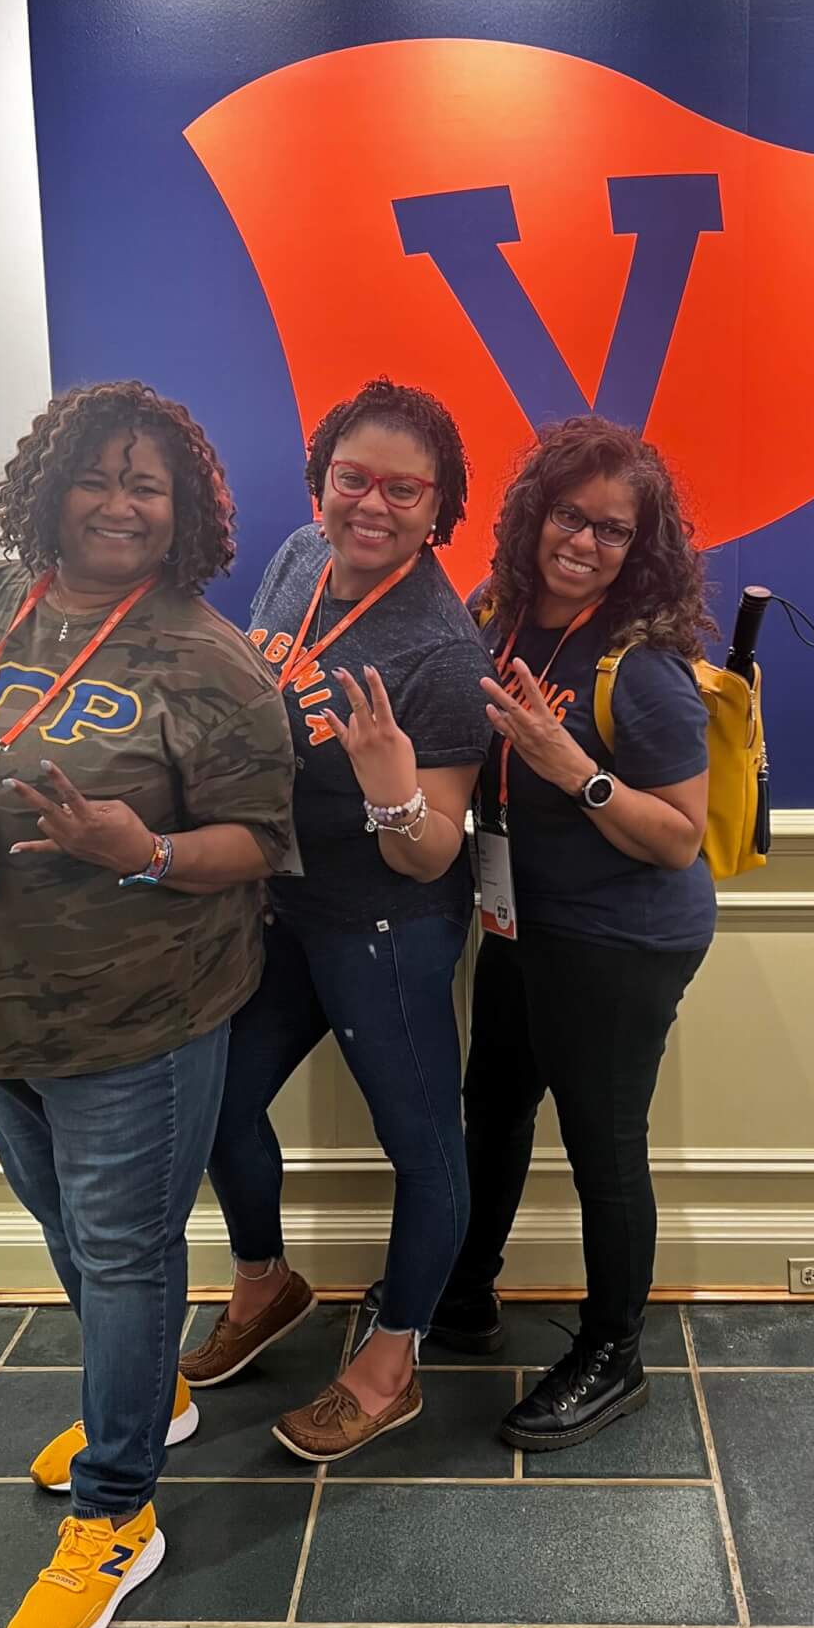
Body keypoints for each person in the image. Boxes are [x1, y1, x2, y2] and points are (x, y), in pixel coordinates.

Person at [0, 381, 297, 1628]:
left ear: (185, 517)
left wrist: (146, 846)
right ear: (50, 485)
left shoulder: (210, 661)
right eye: (98, 478)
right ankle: (147, 1394)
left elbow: (261, 845)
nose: (118, 503)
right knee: (73, 1232)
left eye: (147, 486)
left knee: (123, 1255)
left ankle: (119, 1510)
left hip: (135, 1021)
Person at [180, 378, 494, 1463]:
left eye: (405, 488)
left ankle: (392, 1360)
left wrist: (391, 785)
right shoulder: (294, 563)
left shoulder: (443, 651)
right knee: (213, 1105)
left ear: (439, 507)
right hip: (281, 906)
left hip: (383, 927)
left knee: (423, 1145)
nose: (375, 503)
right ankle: (266, 1282)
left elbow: (437, 848)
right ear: (321, 485)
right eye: (354, 477)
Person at [439, 415, 717, 1448]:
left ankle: (615, 1353)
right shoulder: (497, 616)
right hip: (522, 920)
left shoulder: (642, 668)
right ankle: (466, 1291)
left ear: (637, 549)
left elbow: (679, 837)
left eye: (612, 530)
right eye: (570, 514)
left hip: (621, 939)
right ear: (533, 513)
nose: (584, 541)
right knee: (495, 1106)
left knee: (604, 1144)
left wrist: (577, 768)